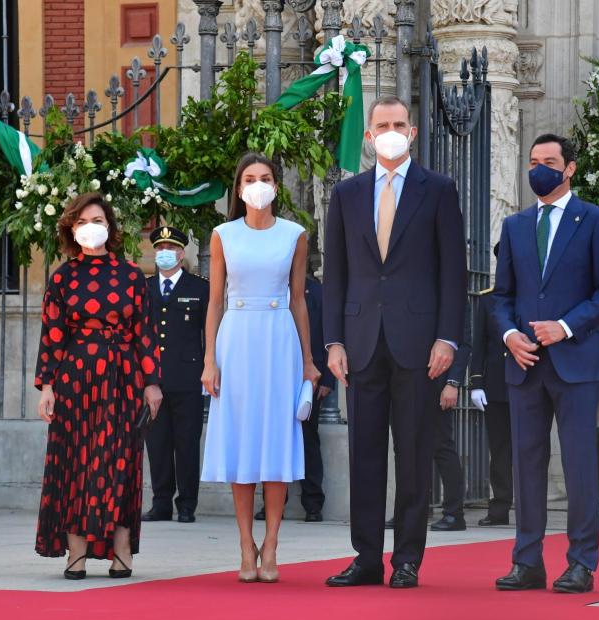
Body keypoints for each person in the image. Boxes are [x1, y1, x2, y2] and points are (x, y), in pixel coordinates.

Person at [323, 96, 467, 589]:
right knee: (364, 454)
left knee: (412, 453)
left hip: (419, 343)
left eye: (398, 124)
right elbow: (335, 274)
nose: (390, 131)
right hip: (361, 343)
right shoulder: (346, 195)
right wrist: (333, 342)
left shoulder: (439, 190)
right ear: (368, 135)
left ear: (413, 132)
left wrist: (448, 338)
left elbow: (453, 272)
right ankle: (366, 557)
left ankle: (407, 557)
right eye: (381, 124)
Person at [492, 134, 599, 594]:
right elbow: (502, 296)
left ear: (569, 168)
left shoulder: (596, 221)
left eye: (548, 161)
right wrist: (510, 336)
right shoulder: (514, 226)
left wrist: (564, 327)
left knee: (579, 465)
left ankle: (581, 563)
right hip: (524, 364)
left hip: (576, 364)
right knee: (526, 465)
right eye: (533, 161)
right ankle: (526, 561)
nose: (538, 169)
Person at [200, 153, 321, 584]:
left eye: (265, 178)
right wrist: (210, 360)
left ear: (276, 185)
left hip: (278, 340)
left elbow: (299, 299)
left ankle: (271, 542)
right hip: (236, 340)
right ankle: (244, 543)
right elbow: (214, 302)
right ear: (238, 188)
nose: (258, 184)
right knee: (242, 443)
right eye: (250, 178)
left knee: (274, 441)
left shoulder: (294, 234)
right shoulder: (222, 235)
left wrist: (308, 362)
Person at [35, 192, 163, 580]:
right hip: (76, 378)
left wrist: (152, 383)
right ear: (72, 230)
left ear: (110, 227)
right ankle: (77, 552)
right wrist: (46, 387)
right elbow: (52, 335)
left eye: (99, 221)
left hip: (124, 378)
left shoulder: (129, 276)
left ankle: (121, 550)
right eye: (84, 222)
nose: (92, 228)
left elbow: (146, 333)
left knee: (119, 461)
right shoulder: (63, 277)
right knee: (76, 461)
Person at [253, 273, 335, 523]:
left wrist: (326, 380)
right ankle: (272, 503)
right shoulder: (267, 286)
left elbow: (326, 332)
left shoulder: (316, 291)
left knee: (308, 439)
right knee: (272, 440)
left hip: (307, 378)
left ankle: (313, 503)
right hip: (273, 375)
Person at [142, 226, 209, 524]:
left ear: (181, 253)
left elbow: (211, 331)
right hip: (153, 379)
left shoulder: (199, 288)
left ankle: (187, 504)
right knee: (157, 444)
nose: (164, 253)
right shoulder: (144, 288)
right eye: (159, 248)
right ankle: (160, 502)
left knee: (187, 443)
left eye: (170, 247)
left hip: (188, 377)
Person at [469, 244, 512, 527]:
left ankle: (534, 507)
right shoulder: (488, 300)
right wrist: (476, 383)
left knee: (532, 449)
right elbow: (479, 344)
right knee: (499, 450)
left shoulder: (533, 295)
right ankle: (499, 508)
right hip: (496, 385)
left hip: (529, 384)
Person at [428, 310, 471, 532]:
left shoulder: (451, 289)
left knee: (442, 446)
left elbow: (463, 344)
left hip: (440, 382)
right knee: (407, 448)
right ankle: (410, 510)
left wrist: (453, 383)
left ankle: (455, 513)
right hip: (410, 380)